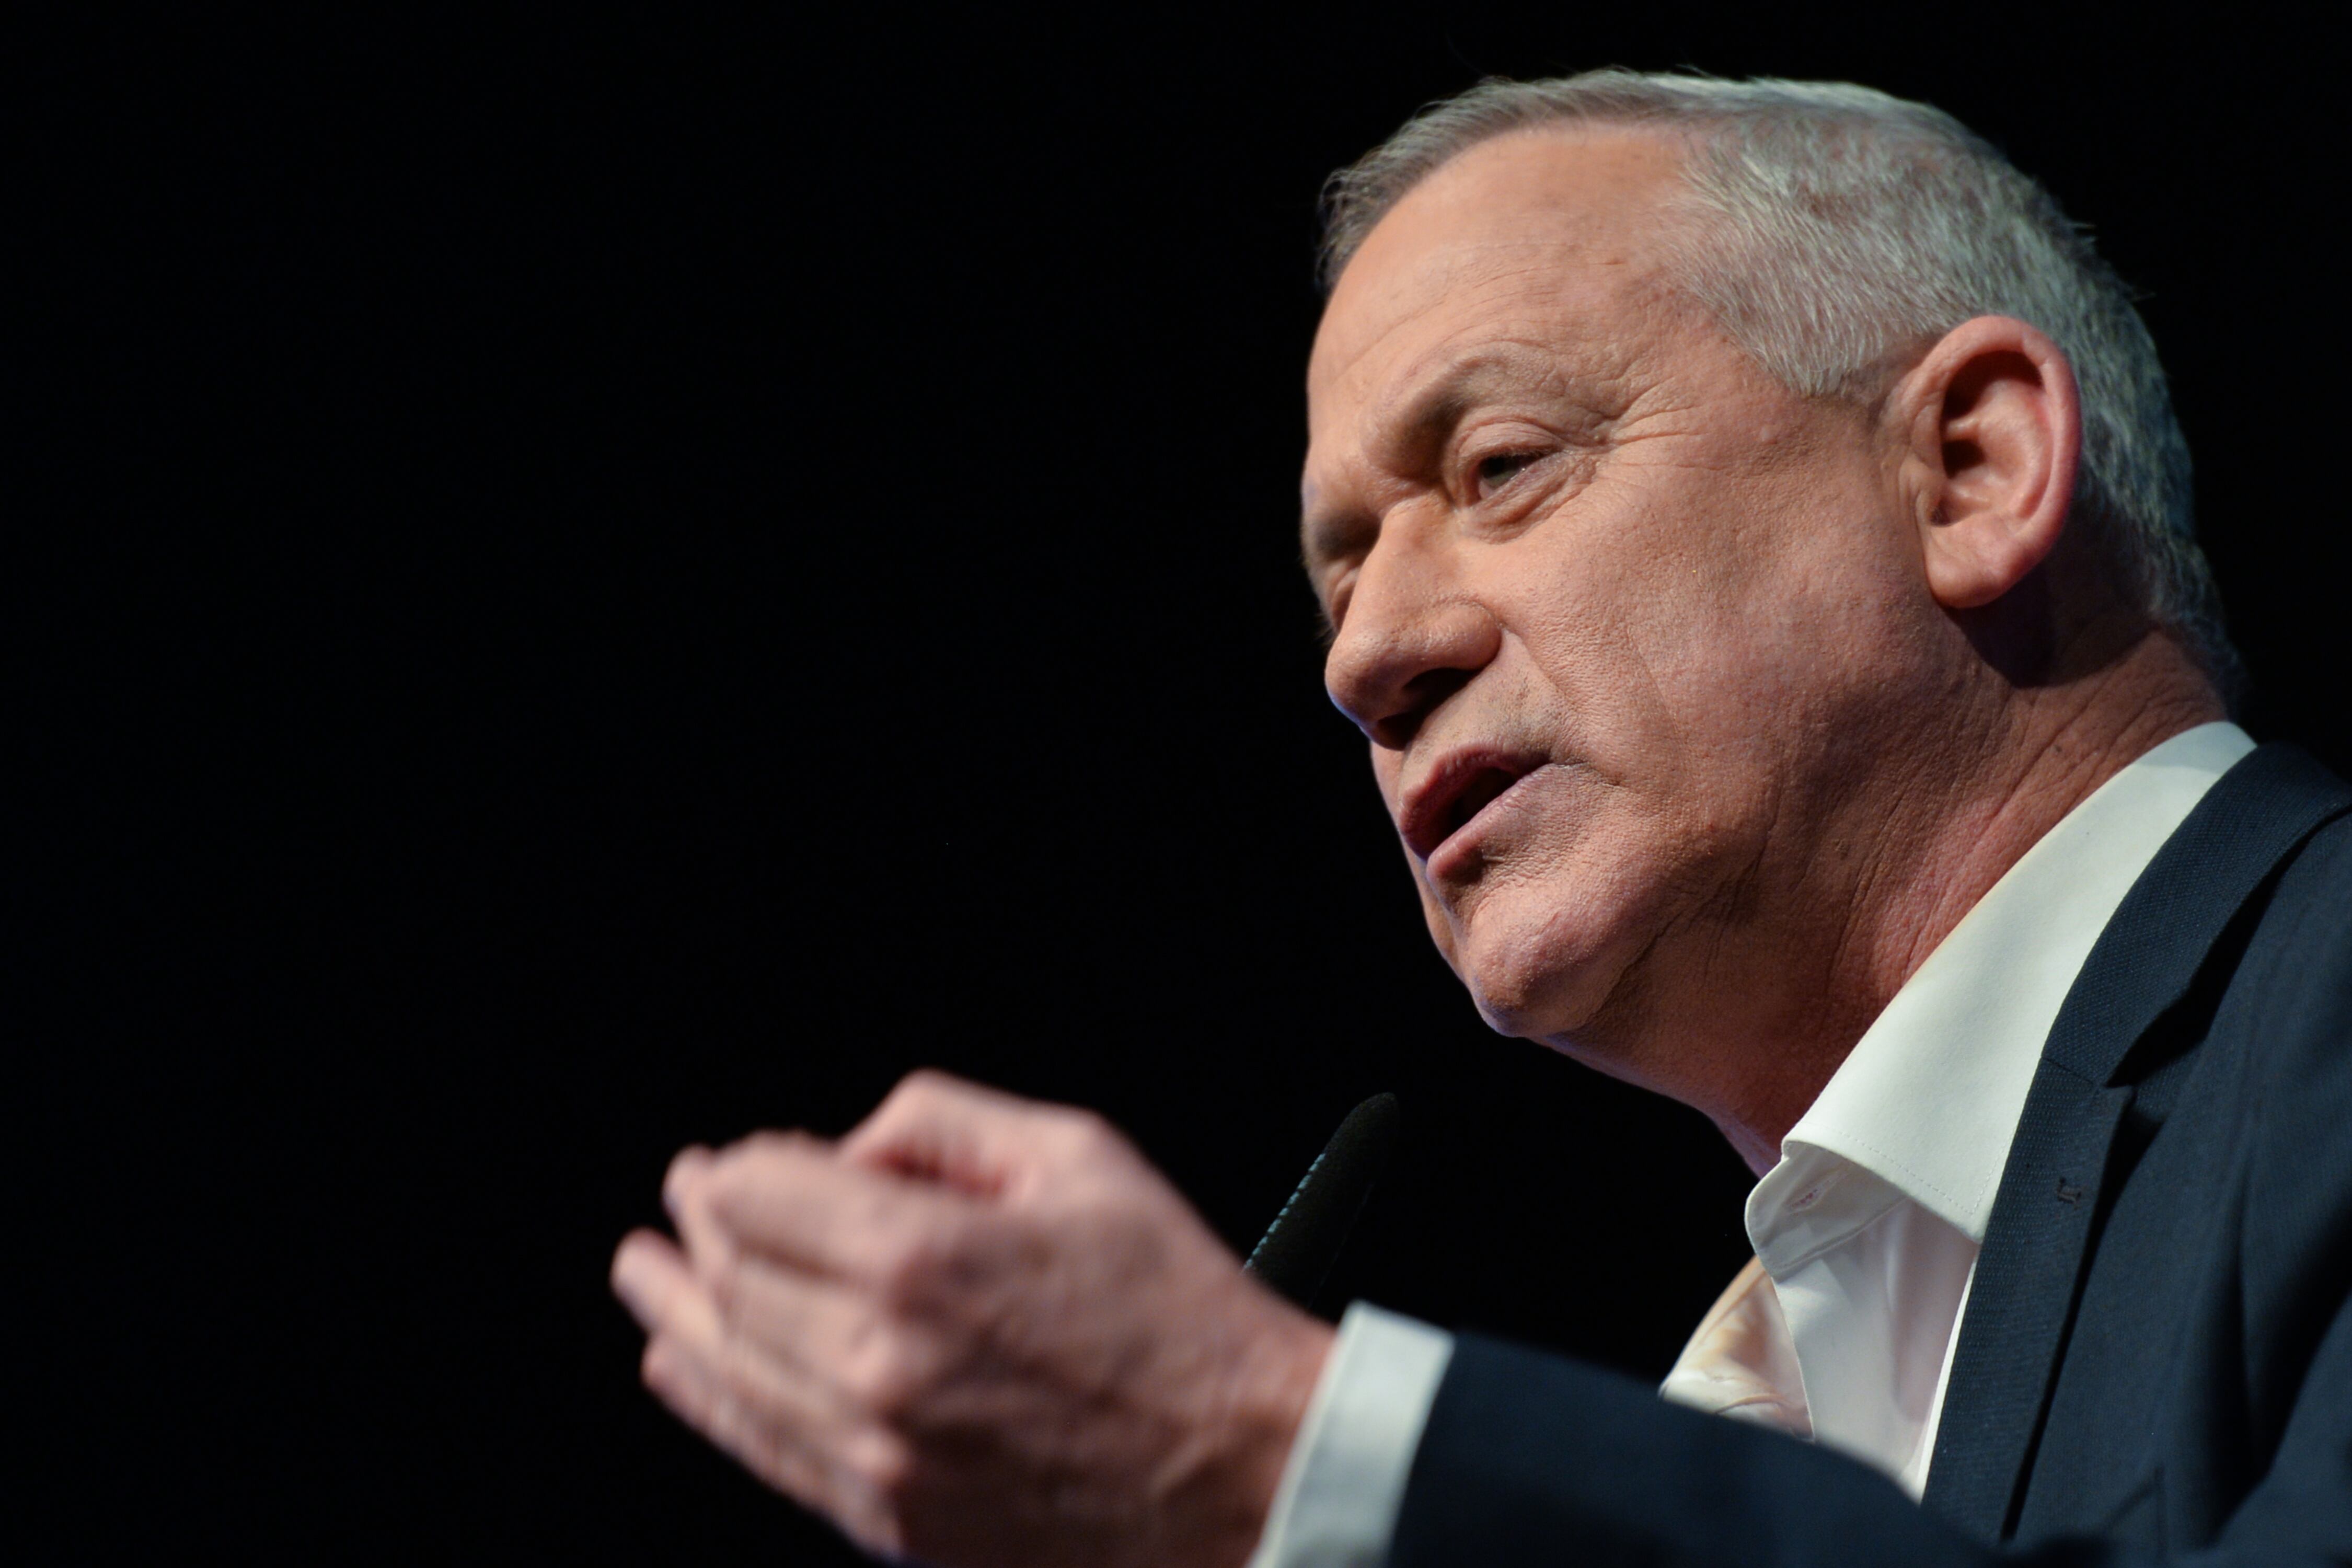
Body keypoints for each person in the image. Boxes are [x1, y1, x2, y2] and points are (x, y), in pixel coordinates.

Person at [608, 73, 2352, 1565]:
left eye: (1500, 468)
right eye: (1339, 578)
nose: (1368, 657)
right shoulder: (1788, 1358)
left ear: (1965, 472)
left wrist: (1283, 1455)